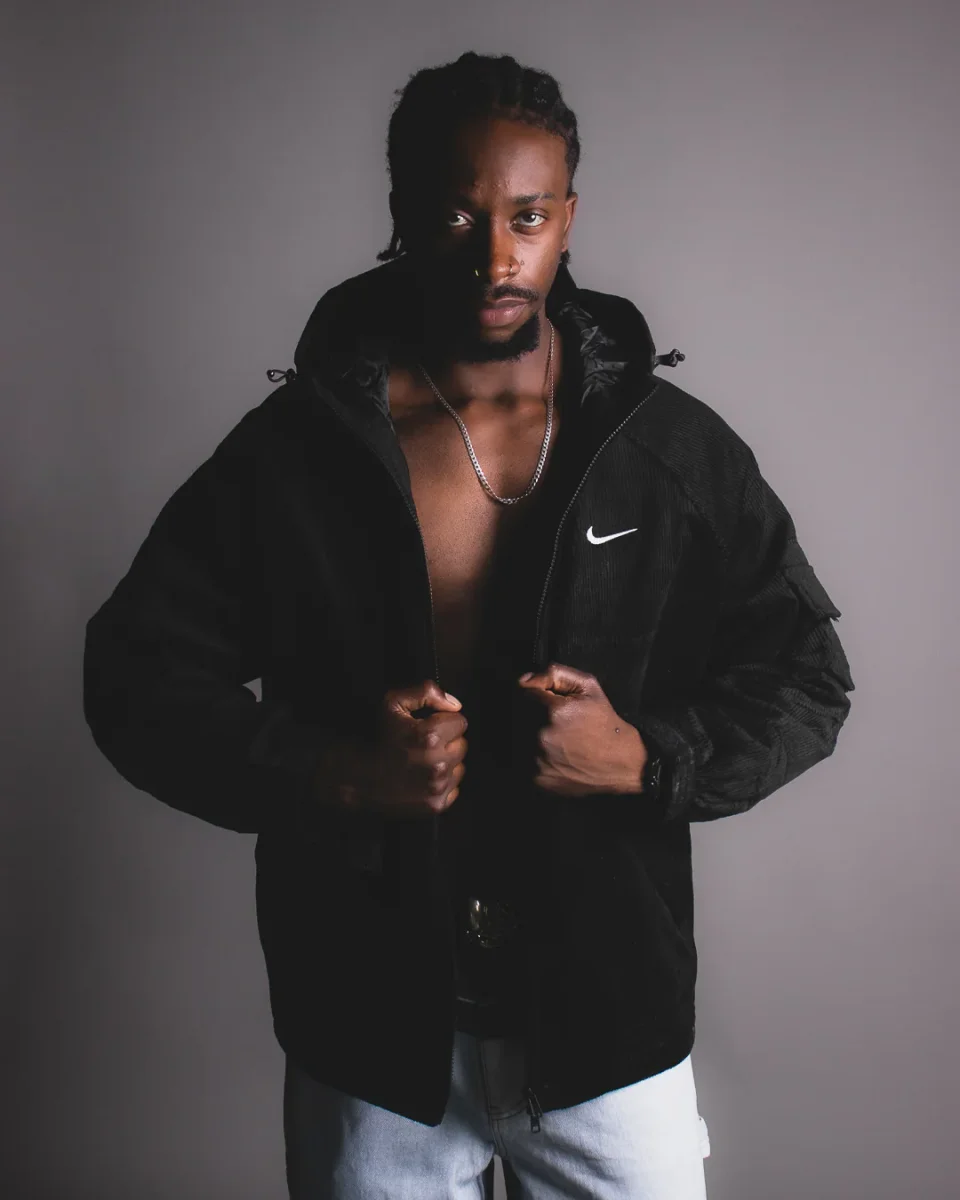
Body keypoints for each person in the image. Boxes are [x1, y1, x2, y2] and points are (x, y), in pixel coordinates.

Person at [82, 50, 855, 1200]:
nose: (498, 257)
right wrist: (335, 772)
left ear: (568, 217)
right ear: (401, 213)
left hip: (606, 1023)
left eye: (528, 216)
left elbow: (806, 674)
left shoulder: (665, 450)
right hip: (373, 1032)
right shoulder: (299, 455)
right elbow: (134, 676)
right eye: (458, 213)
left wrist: (646, 760)